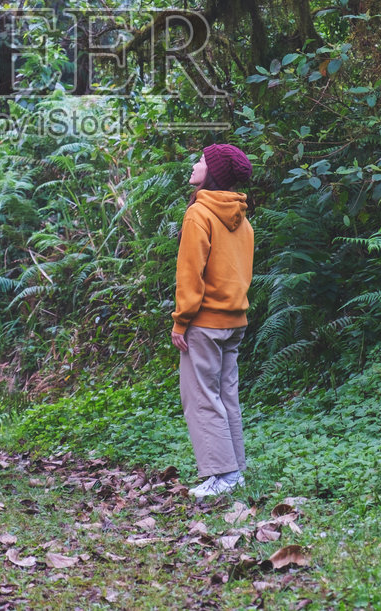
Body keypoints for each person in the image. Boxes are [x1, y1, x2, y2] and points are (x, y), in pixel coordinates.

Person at [171, 143, 254, 499]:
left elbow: (191, 274)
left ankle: (222, 474)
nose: (195, 164)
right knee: (226, 396)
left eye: (202, 161)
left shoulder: (199, 214)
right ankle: (235, 471)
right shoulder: (241, 218)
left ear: (214, 173)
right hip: (235, 320)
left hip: (203, 322)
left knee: (201, 398)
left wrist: (181, 320)